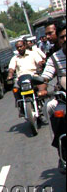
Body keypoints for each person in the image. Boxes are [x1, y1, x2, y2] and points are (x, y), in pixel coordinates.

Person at [38, 25, 66, 170]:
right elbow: (45, 77)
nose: (65, 39)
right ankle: (61, 151)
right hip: (64, 98)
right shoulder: (55, 58)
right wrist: (42, 89)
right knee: (51, 107)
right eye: (62, 37)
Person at [7, 40, 44, 116]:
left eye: (21, 46)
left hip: (33, 76)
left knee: (41, 85)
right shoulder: (15, 58)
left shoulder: (33, 54)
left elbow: (39, 62)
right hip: (20, 78)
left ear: (25, 46)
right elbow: (11, 68)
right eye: (18, 47)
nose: (19, 48)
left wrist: (40, 66)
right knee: (15, 89)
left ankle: (41, 101)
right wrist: (10, 75)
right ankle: (21, 106)